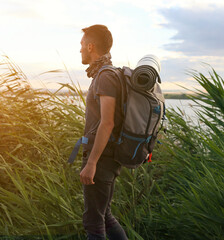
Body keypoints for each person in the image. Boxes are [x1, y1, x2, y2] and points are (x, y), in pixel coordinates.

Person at [79, 24, 128, 240]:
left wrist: (92, 162)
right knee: (104, 216)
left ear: (90, 46)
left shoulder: (106, 77)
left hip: (102, 159)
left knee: (94, 225)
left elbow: (107, 123)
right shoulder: (104, 74)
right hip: (105, 157)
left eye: (81, 45)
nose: (79, 50)